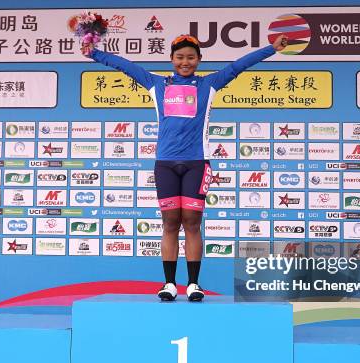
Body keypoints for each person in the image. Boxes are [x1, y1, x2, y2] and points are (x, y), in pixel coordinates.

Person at [83, 34, 288, 301]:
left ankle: (193, 284)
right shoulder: (156, 84)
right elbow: (126, 66)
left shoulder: (210, 84)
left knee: (192, 223)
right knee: (170, 223)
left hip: (196, 163)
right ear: (171, 59)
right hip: (165, 164)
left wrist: (271, 49)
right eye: (180, 57)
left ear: (199, 60)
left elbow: (239, 65)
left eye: (191, 57)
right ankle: (169, 284)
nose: (185, 62)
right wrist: (94, 53)